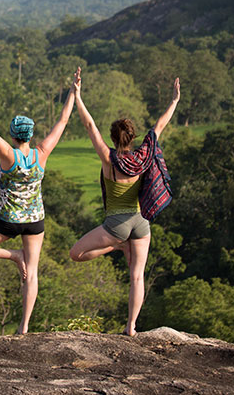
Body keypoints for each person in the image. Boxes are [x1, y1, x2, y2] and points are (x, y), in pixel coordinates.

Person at [0, 67, 79, 335]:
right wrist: (73, 93)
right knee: (34, 272)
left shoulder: (8, 155)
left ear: (14, 135)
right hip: (35, 221)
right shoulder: (42, 153)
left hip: (8, 222)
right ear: (30, 135)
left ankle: (14, 256)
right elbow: (62, 122)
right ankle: (24, 327)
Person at [69, 74, 180, 336]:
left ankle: (117, 247)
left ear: (113, 138)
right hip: (141, 223)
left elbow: (89, 125)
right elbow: (160, 126)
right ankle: (131, 327)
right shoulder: (143, 155)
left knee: (76, 254)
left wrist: (77, 96)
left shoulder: (109, 159)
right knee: (137, 276)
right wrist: (175, 100)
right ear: (132, 137)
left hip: (115, 226)